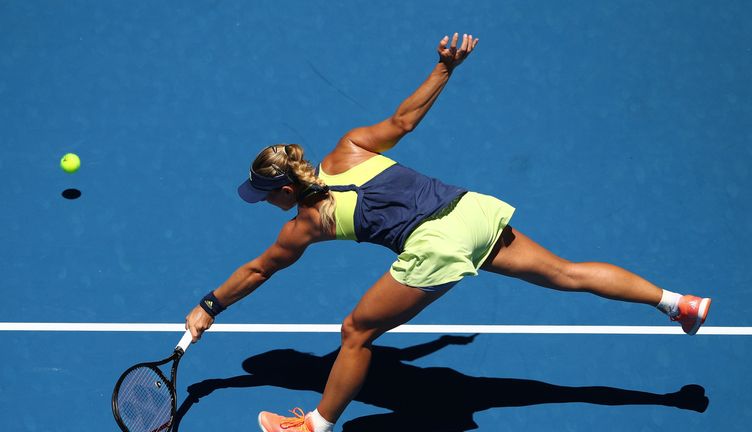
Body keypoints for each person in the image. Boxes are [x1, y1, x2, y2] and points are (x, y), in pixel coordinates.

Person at [185, 33, 712, 432]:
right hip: (469, 210)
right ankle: (676, 303)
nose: (265, 204)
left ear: (281, 191)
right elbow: (405, 119)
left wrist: (209, 306)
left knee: (356, 334)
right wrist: (443, 67)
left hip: (435, 246)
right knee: (565, 272)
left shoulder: (304, 226)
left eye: (264, 195)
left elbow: (258, 270)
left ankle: (316, 425)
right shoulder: (350, 148)